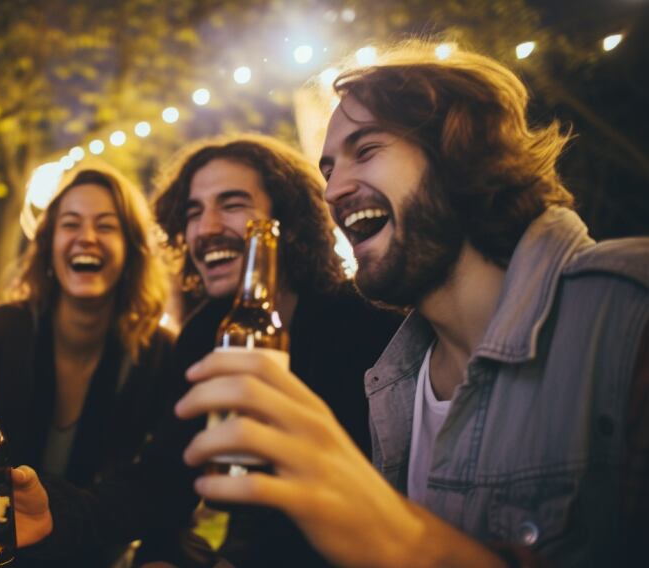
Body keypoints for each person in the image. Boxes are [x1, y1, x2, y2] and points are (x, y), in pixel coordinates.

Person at [175, 42, 649, 566]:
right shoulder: (391, 382)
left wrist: (406, 538)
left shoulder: (628, 310)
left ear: (458, 152)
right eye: (328, 169)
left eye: (367, 149)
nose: (332, 191)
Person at [0, 134, 401, 566]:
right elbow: (164, 479)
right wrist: (57, 516)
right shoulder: (203, 334)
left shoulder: (363, 319)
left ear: (285, 220)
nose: (207, 228)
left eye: (232, 204)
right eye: (194, 212)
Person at [0, 164, 174, 567]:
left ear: (131, 250)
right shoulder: (0, 330)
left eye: (106, 226)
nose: (87, 237)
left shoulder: (159, 354)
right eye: (70, 224)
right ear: (48, 244)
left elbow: (164, 486)